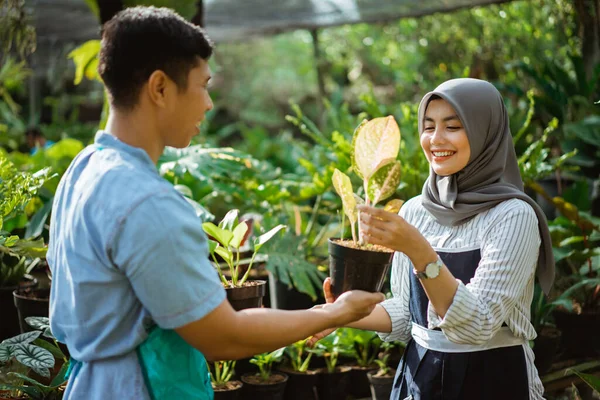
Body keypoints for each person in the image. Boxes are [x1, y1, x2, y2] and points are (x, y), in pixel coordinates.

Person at [47, 6, 384, 399]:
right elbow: (224, 337)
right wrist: (336, 312)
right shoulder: (146, 202)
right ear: (160, 88)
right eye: (203, 85)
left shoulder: (84, 169)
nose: (208, 103)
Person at [309, 78, 555, 399]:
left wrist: (419, 250)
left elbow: (478, 325)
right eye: (428, 126)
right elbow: (406, 315)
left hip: (493, 377)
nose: (435, 139)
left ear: (485, 133)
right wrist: (340, 315)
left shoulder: (512, 216)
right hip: (420, 379)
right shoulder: (415, 210)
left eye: (452, 126)